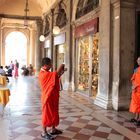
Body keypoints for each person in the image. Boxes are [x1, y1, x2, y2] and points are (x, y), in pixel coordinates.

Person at [38, 57, 66, 140]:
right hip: (47, 97)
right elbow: (55, 74)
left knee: (54, 112)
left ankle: (53, 129)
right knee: (46, 115)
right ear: (45, 65)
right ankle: (44, 132)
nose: (51, 65)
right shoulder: (43, 74)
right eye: (50, 64)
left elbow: (55, 78)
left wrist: (60, 73)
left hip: (52, 97)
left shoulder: (47, 72)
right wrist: (62, 64)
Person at [129, 56, 140, 126]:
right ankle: (136, 117)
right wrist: (133, 86)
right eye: (138, 60)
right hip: (136, 90)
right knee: (136, 104)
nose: (137, 61)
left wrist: (136, 85)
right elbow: (133, 78)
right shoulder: (136, 69)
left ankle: (139, 119)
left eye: (139, 60)